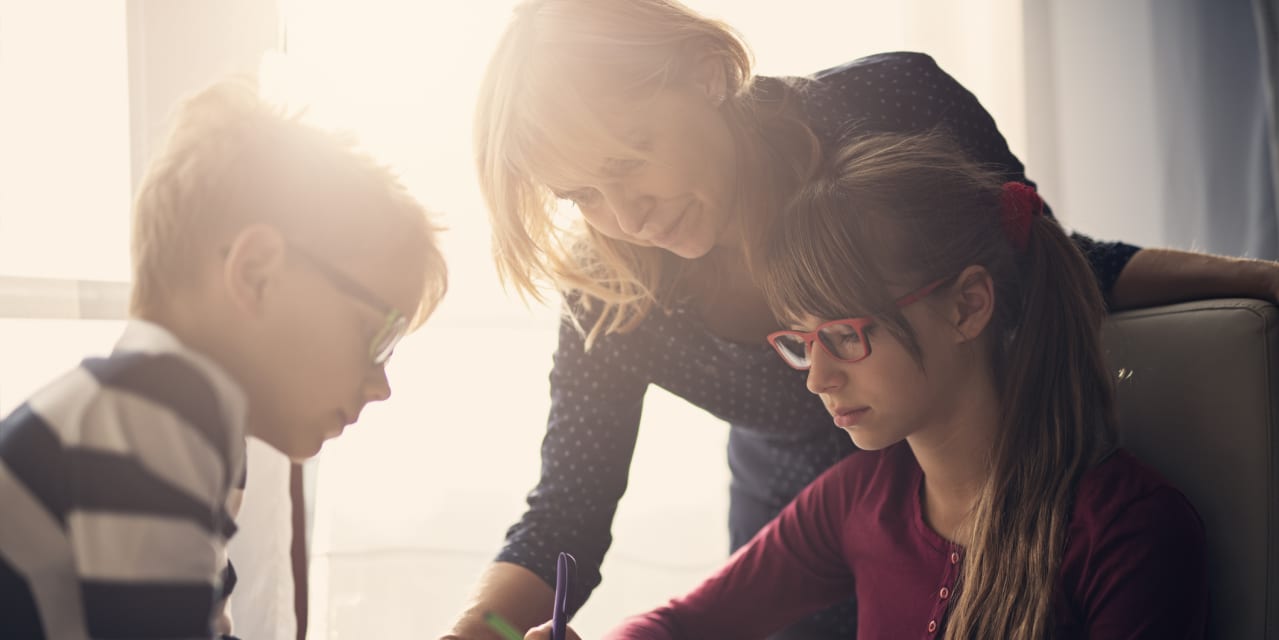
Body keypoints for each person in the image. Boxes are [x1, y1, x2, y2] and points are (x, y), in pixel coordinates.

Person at [455, 1, 1269, 637]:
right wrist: (480, 630)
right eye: (580, 195)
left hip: (997, 511)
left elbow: (1039, 253)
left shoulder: (886, 108)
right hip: (805, 538)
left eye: (628, 159)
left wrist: (1264, 281)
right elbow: (567, 511)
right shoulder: (612, 287)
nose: (620, 214)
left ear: (705, 74)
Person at [528, 132, 1209, 640]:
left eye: (848, 334)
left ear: (967, 305)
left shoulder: (1125, 528)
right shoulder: (859, 498)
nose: (818, 378)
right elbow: (681, 623)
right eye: (799, 342)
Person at [0, 75, 447, 639]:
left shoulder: (169, 424)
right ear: (257, 274)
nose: (381, 384)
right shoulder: (149, 422)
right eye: (378, 336)